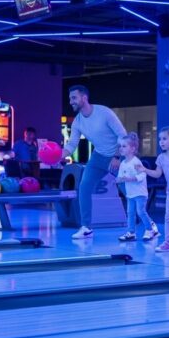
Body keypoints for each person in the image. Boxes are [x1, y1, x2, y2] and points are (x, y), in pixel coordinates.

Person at [62, 85, 128, 239]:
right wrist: (58, 155)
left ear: (84, 98)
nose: (71, 102)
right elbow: (71, 145)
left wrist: (117, 157)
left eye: (74, 98)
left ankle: (149, 226)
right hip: (98, 157)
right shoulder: (77, 122)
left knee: (130, 190)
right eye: (70, 98)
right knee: (84, 187)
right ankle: (86, 227)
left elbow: (122, 135)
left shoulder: (104, 113)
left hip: (117, 155)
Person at [116, 133, 159, 242]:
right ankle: (131, 232)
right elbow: (120, 177)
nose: (121, 148)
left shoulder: (136, 162)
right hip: (130, 194)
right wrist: (118, 180)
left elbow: (143, 175)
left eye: (124, 146)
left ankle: (150, 230)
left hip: (140, 193)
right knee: (130, 213)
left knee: (141, 212)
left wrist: (132, 178)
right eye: (120, 146)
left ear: (132, 149)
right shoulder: (123, 163)